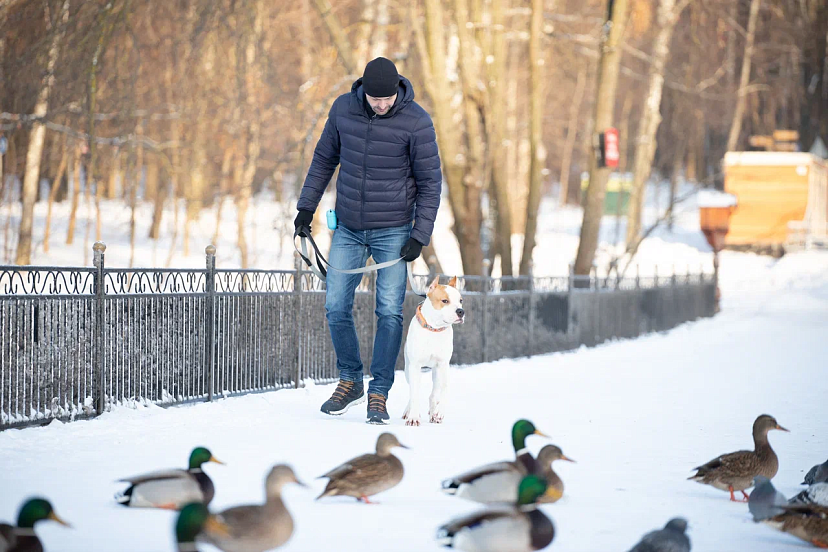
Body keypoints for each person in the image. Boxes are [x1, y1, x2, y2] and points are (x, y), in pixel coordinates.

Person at [294, 57, 442, 424]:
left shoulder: (417, 121)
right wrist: (306, 208)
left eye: (388, 98)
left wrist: (419, 235)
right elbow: (323, 160)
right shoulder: (343, 109)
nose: (382, 104)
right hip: (348, 227)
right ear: (364, 92)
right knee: (335, 305)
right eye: (376, 99)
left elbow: (430, 183)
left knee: (389, 311)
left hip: (394, 229)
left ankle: (379, 391)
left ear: (397, 92)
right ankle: (350, 381)